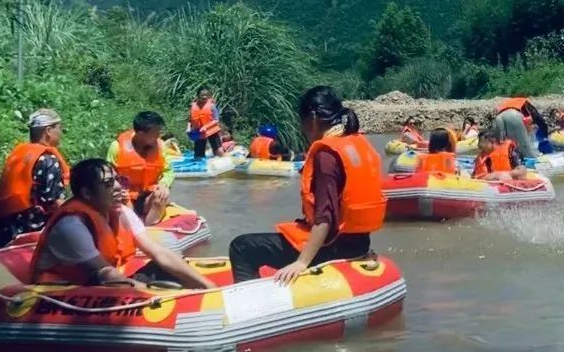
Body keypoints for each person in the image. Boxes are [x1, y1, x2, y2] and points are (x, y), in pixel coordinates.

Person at [228, 86, 385, 285]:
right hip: (360, 243)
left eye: (301, 123)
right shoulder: (359, 143)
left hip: (332, 247)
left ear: (312, 118)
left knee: (242, 247)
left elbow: (325, 219)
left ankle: (249, 307)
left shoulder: (326, 155)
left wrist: (301, 262)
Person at [30, 157, 215, 289]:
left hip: (102, 281)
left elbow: (160, 253)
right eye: (109, 184)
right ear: (86, 193)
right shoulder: (71, 225)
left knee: (166, 268)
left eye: (117, 180)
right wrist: (150, 294)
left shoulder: (122, 212)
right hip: (65, 292)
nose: (119, 188)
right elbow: (104, 274)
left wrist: (209, 286)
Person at [0, 108, 70, 247]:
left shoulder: (19, 153)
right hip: (30, 228)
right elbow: (53, 199)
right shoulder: (48, 159)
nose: (61, 132)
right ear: (47, 131)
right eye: (59, 128)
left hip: (7, 223)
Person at [107, 111, 173, 227]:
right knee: (122, 199)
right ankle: (132, 227)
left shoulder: (160, 146)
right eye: (155, 133)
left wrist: (164, 183)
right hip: (125, 196)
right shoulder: (116, 147)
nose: (158, 136)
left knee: (162, 194)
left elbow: (168, 171)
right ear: (141, 134)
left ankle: (150, 228)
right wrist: (117, 189)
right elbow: (107, 174)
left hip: (148, 196)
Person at [189, 86, 227, 159]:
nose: (204, 97)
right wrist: (189, 128)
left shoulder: (212, 106)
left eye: (206, 95)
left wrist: (205, 127)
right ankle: (199, 165)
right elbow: (190, 119)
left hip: (211, 130)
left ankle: (223, 160)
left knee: (218, 150)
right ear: (198, 95)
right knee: (198, 154)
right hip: (199, 131)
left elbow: (216, 120)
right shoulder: (193, 106)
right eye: (202, 95)